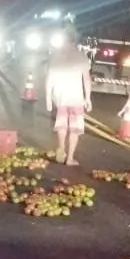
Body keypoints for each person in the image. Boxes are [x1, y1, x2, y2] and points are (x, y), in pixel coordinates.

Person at [45, 27, 92, 166]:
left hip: (60, 98)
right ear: (75, 41)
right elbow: (86, 80)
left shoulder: (55, 56)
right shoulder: (81, 56)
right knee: (75, 129)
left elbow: (49, 79)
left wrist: (48, 97)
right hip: (76, 98)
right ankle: (70, 158)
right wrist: (88, 98)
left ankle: (61, 147)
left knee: (61, 125)